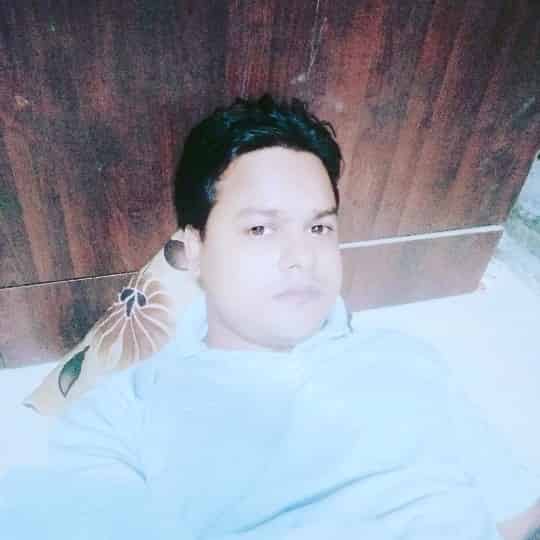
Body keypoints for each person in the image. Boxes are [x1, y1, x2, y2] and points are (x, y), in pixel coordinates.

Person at [1, 94, 539, 539]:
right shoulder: (122, 418)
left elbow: (515, 514)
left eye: (319, 227)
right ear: (193, 249)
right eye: (260, 229)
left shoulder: (406, 358)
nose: (301, 256)